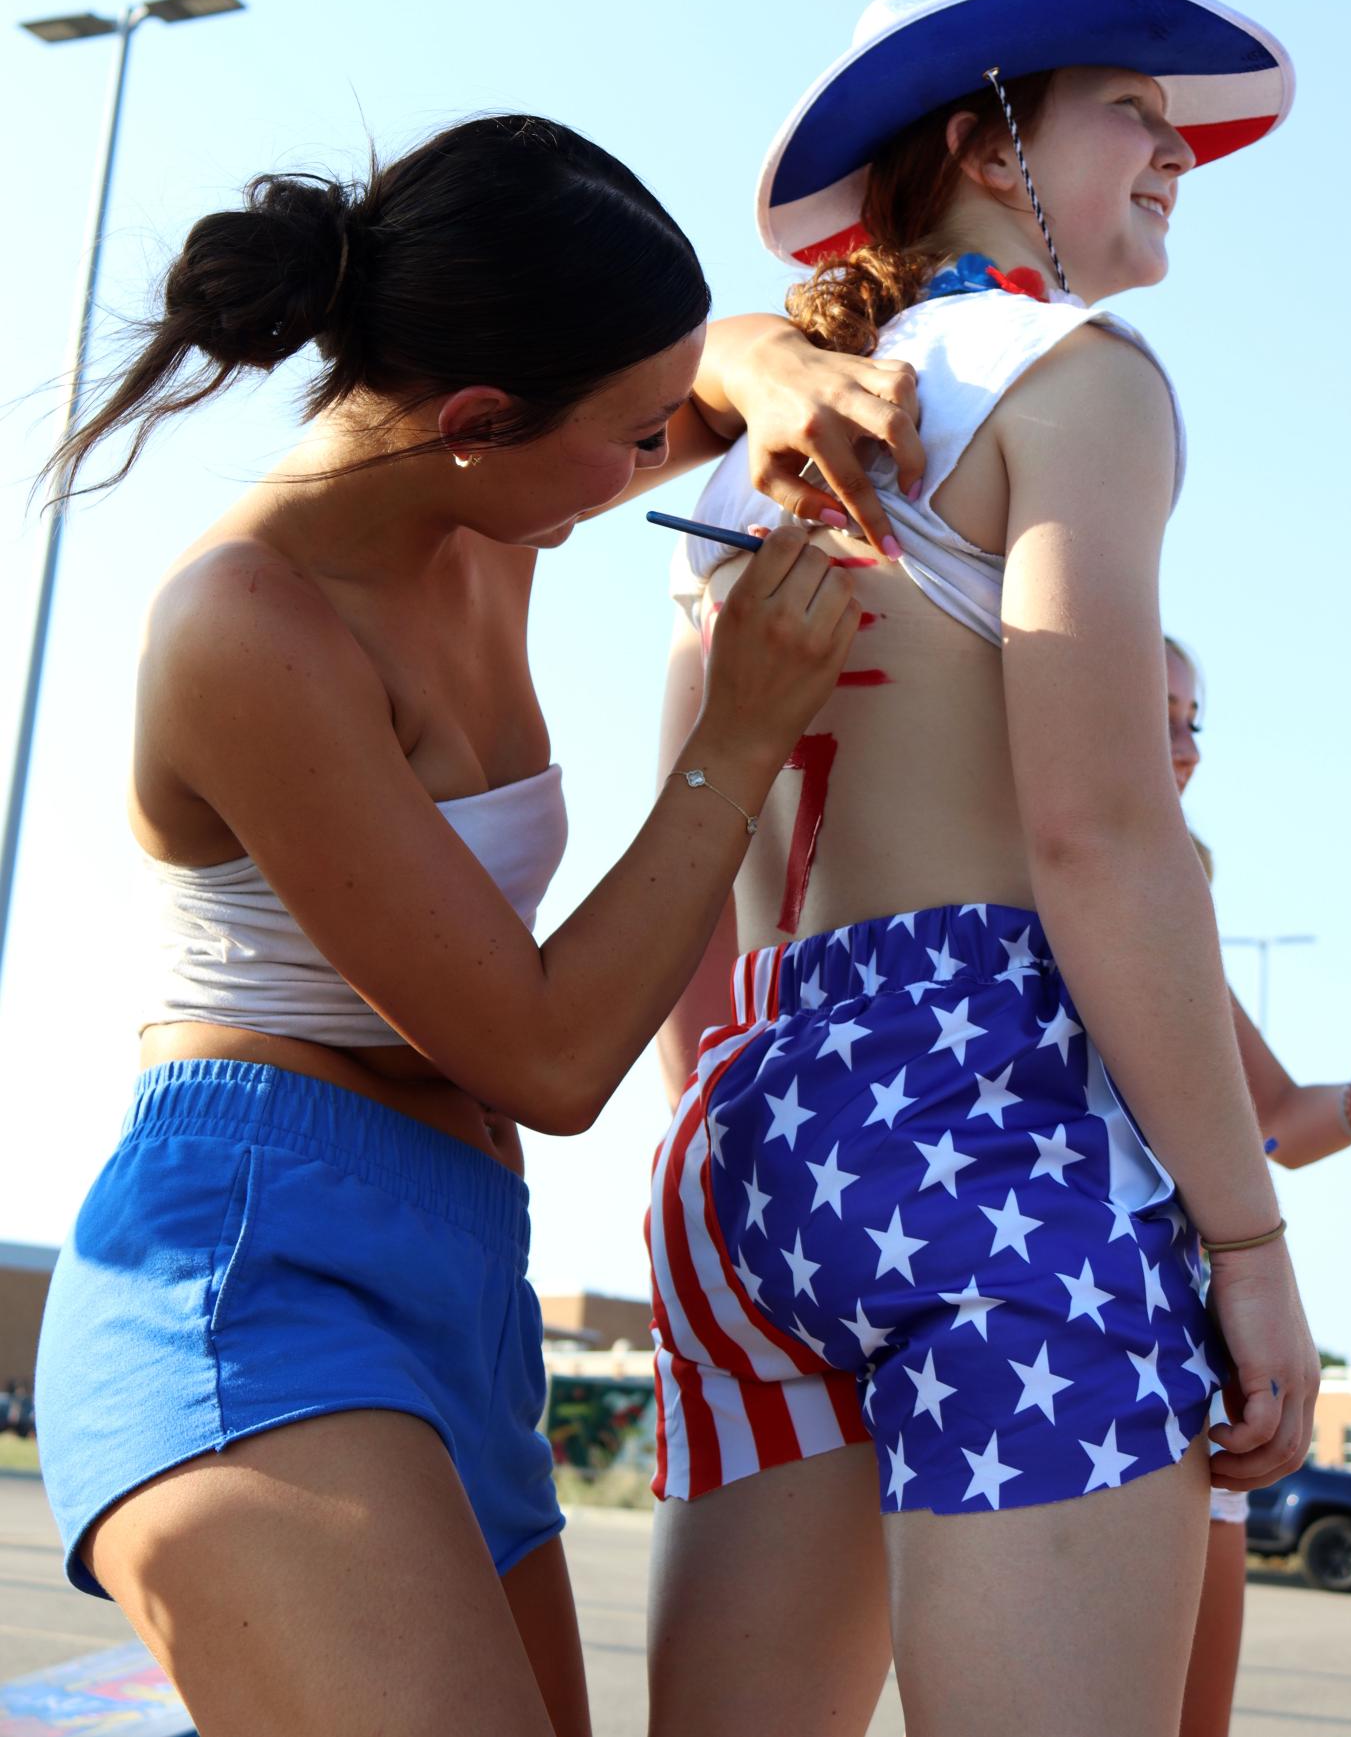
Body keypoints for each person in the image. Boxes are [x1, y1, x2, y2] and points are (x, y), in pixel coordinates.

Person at [32, 112, 926, 1737]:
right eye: (638, 433)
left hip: (463, 1278)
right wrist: (739, 735)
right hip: (254, 1258)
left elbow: (708, 368)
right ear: (475, 416)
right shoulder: (249, 622)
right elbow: (546, 1054)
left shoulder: (487, 499)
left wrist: (764, 368)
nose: (670, 455)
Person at [645, 0, 1319, 1737]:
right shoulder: (1081, 380)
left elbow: (693, 874)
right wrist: (1248, 1248)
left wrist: (740, 1120)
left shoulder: (739, 463)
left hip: (751, 1138)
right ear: (991, 142)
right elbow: (1103, 835)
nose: (1174, 154)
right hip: (1003, 1124)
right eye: (1132, 114)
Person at [1167, 634, 1351, 1737]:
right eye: (1157, 711)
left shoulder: (1171, 909)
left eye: (1194, 720)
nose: (1187, 748)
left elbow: (1275, 1126)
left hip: (1179, 1359)